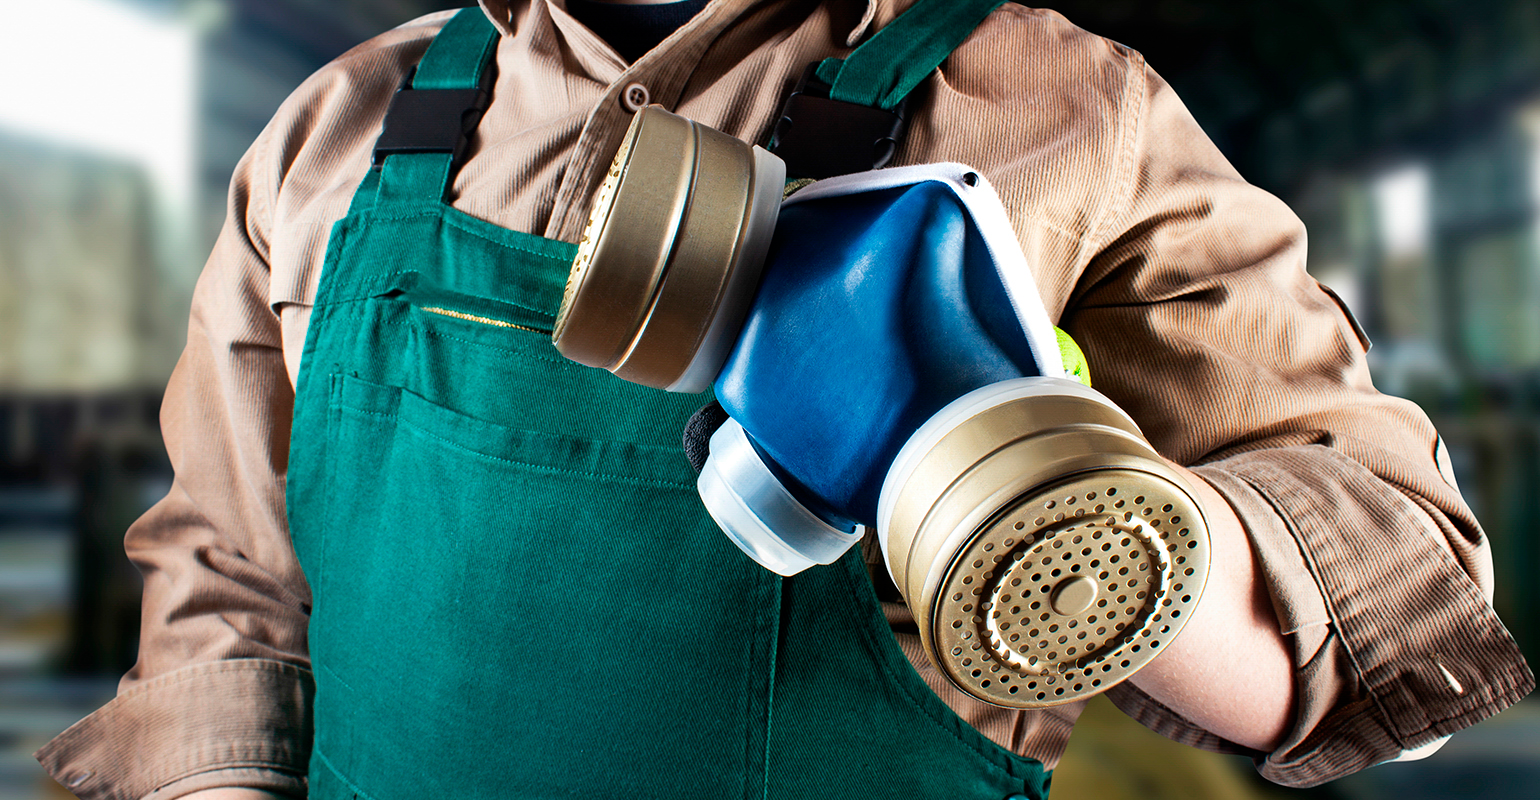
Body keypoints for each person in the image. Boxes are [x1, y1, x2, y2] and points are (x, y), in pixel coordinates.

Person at [37, 1, 1533, 798]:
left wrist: (992, 467)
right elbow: (228, 595)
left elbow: (1386, 643)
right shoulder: (343, 132)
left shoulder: (1059, 110)